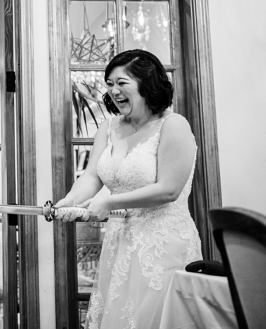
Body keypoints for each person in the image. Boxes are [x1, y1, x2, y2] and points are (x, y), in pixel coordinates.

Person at [55, 49, 202, 329]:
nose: (113, 91)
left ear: (147, 84)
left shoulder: (173, 125)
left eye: (122, 83)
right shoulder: (109, 128)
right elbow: (91, 176)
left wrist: (108, 203)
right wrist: (70, 201)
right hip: (120, 244)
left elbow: (168, 190)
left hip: (164, 245)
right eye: (110, 83)